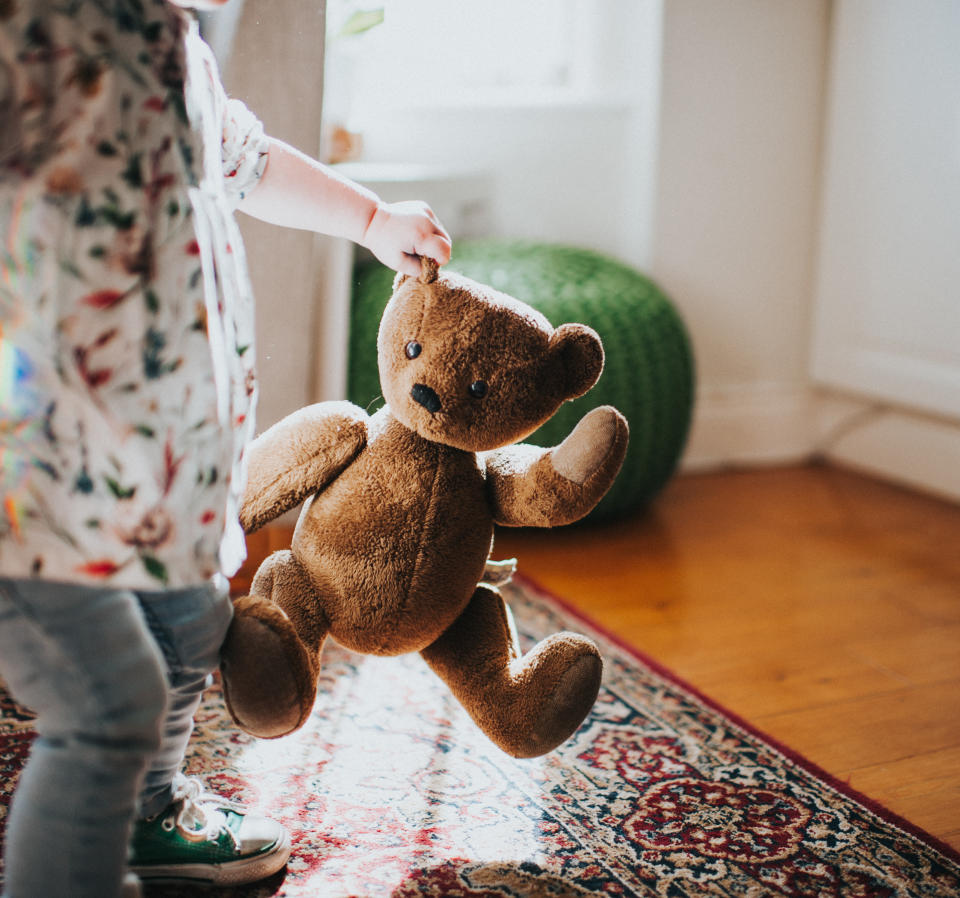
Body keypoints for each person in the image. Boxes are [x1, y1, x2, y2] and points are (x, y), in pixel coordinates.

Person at [0, 0, 451, 896]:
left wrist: (369, 220)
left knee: (191, 626)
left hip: (157, 464)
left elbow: (248, 161)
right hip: (35, 484)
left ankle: (143, 815)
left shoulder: (173, 46)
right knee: (108, 705)